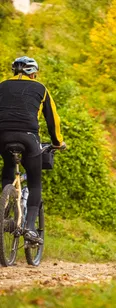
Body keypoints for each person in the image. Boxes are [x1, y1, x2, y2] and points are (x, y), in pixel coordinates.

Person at [0, 56, 65, 244]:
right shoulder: (40, 88)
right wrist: (58, 142)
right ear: (33, 73)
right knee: (35, 182)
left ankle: (4, 211)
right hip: (28, 137)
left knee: (8, 168)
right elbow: (53, 120)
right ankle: (29, 228)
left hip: (2, 136)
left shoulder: (2, 86)